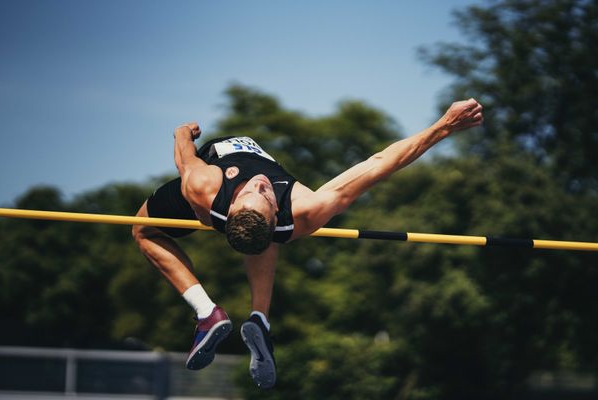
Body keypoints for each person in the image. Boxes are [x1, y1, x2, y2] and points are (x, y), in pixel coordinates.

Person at [131, 98, 483, 389]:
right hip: (225, 208)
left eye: (260, 192)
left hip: (216, 198)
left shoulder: (208, 184)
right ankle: (256, 319)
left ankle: (208, 314)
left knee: (146, 229)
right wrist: (444, 127)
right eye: (260, 193)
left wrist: (181, 133)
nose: (259, 184)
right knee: (164, 232)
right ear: (272, 214)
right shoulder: (295, 209)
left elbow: (184, 158)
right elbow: (378, 165)